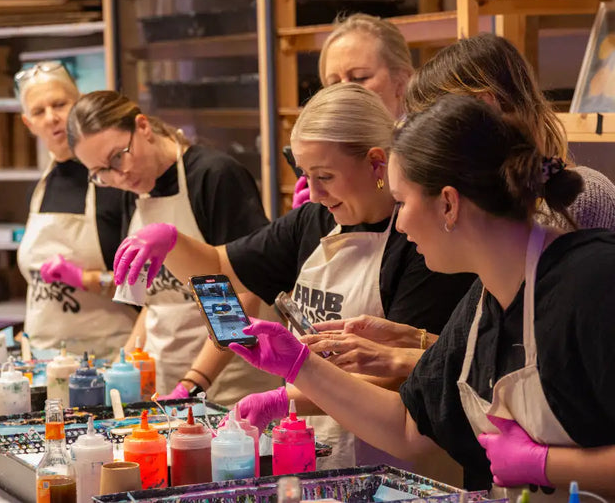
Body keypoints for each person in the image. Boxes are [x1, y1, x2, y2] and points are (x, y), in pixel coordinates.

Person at [229, 94, 615, 499]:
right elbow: (409, 427)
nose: (402, 222)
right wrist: (299, 364)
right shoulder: (482, 305)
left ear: (448, 204)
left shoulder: (594, 284)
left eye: (401, 202)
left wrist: (545, 465)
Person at [112, 83, 475, 471]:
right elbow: (222, 273)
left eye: (326, 176)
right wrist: (171, 243)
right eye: (306, 174)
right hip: (314, 447)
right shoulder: (314, 220)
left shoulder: (418, 241)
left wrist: (285, 397)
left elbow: (397, 375)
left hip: (397, 460)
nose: (314, 192)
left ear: (376, 163)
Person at [305, 32, 615, 377]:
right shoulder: (494, 222)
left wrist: (398, 356)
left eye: (431, 121)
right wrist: (414, 338)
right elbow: (489, 351)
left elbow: (535, 366)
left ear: (485, 109)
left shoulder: (574, 204)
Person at [67, 90, 278, 406]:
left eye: (117, 156)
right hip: (166, 383)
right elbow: (154, 302)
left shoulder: (213, 176)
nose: (118, 175)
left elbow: (245, 294)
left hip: (233, 383)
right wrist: (120, 367)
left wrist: (194, 383)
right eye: (101, 173)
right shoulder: (132, 192)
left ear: (143, 127)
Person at [406, 32, 615, 231]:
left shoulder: (578, 199)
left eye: (432, 126)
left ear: (485, 109)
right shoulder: (481, 207)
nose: (426, 145)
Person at [14, 62, 136, 360]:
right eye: (39, 112)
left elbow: (147, 287)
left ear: (79, 105)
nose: (52, 118)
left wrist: (85, 279)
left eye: (59, 104)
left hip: (108, 358)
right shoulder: (38, 190)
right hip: (42, 357)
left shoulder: (114, 184)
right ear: (28, 123)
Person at [293, 12, 413, 209]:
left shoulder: (426, 152)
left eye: (359, 77)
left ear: (402, 80)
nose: (344, 90)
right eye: (333, 83)